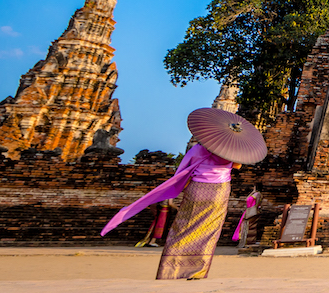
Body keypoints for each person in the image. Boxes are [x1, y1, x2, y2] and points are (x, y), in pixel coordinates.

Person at [102, 108, 266, 280]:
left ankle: (171, 270)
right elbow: (237, 167)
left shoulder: (197, 149)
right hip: (219, 191)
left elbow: (183, 172)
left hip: (197, 189)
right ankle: (197, 271)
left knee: (183, 226)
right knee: (209, 230)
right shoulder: (232, 153)